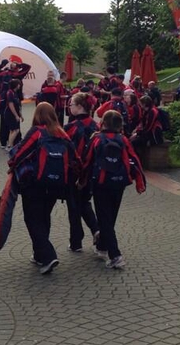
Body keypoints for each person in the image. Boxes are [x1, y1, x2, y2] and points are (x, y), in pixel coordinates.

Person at [8, 102, 79, 275]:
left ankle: (48, 255)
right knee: (44, 217)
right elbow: (75, 158)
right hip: (56, 185)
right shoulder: (62, 133)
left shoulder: (37, 132)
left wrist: (11, 162)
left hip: (34, 184)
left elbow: (20, 153)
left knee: (32, 219)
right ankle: (39, 254)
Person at [82, 110, 141, 269]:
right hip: (119, 182)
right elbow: (134, 159)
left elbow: (87, 161)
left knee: (104, 218)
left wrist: (82, 180)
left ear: (104, 123)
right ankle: (101, 247)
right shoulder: (123, 140)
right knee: (110, 215)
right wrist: (139, 182)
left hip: (101, 183)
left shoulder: (96, 139)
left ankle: (115, 255)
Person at [64, 92, 101, 252]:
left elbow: (67, 152)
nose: (69, 107)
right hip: (92, 172)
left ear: (79, 107)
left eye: (71, 104)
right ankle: (96, 230)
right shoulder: (95, 126)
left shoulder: (71, 128)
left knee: (74, 207)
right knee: (84, 202)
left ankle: (76, 242)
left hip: (75, 172)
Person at [3, 79, 24, 151]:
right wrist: (16, 115)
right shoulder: (10, 93)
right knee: (16, 130)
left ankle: (10, 145)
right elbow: (11, 105)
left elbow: (17, 106)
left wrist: (20, 115)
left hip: (14, 113)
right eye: (19, 84)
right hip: (10, 114)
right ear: (16, 85)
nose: (20, 85)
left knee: (12, 130)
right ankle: (9, 146)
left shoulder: (15, 93)